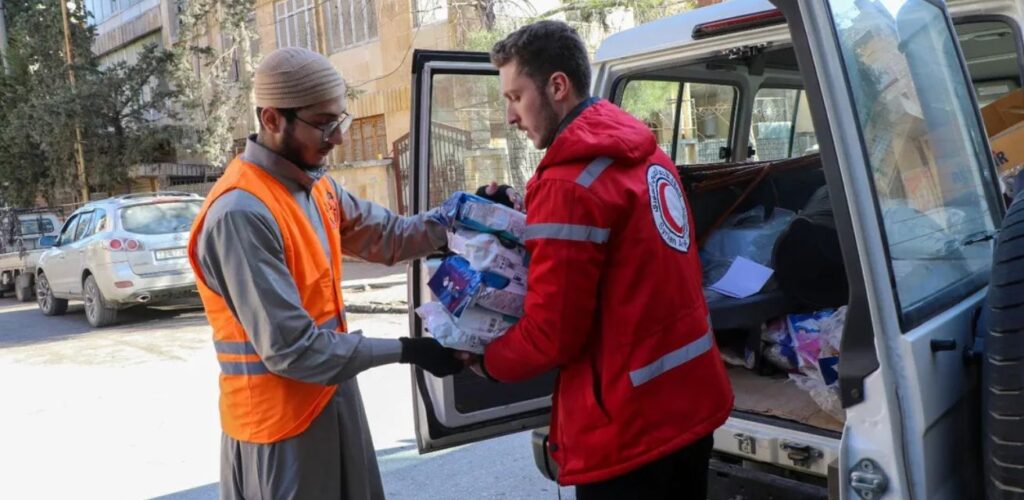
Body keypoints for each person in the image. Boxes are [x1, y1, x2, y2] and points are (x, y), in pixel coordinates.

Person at [187, 47, 479, 500]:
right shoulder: (241, 213)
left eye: (339, 121)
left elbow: (391, 237)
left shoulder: (317, 186)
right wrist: (409, 350)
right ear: (271, 119)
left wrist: (467, 217)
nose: (338, 139)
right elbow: (293, 350)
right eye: (324, 124)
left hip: (331, 400)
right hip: (278, 429)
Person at [464, 21, 735, 499]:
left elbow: (552, 336)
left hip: (627, 431)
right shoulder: (648, 156)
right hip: (689, 404)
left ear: (557, 86)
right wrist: (525, 214)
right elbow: (631, 258)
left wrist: (486, 363)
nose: (510, 115)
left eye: (515, 97)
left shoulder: (567, 184)